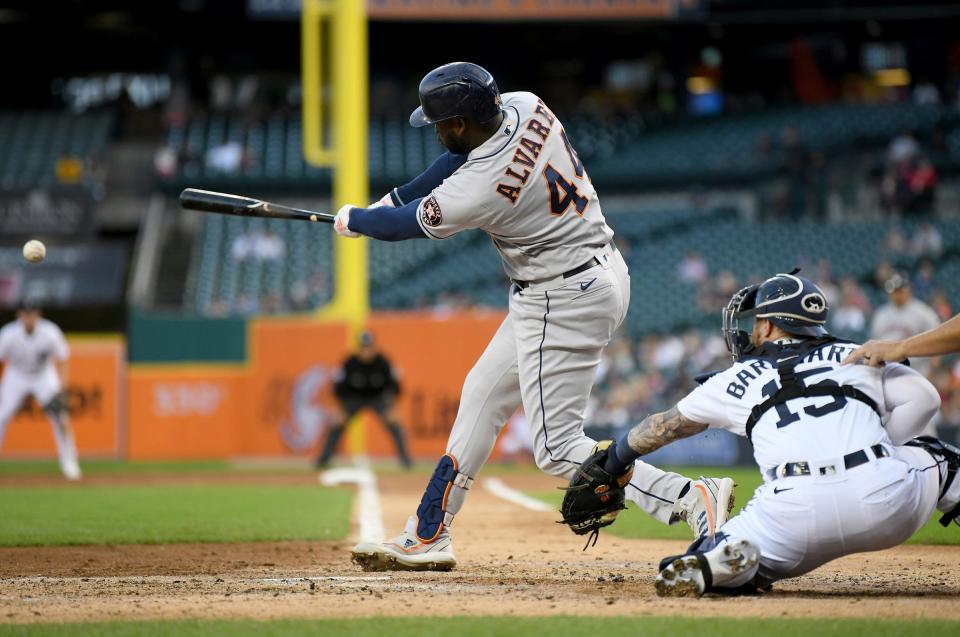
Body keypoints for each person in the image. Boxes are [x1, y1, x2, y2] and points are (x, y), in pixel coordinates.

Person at [335, 62, 734, 571]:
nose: (436, 131)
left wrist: (356, 220)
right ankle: (429, 531)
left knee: (558, 449)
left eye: (440, 123)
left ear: (459, 122)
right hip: (594, 269)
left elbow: (405, 225)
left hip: (561, 295)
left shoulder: (481, 188)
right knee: (481, 394)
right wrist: (389, 199)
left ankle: (686, 495)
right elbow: (450, 166)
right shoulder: (525, 103)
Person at [592, 271, 958, 597]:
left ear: (768, 327)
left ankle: (719, 562)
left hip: (793, 514)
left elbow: (660, 428)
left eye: (756, 321)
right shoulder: (857, 354)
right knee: (943, 459)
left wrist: (614, 460)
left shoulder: (732, 379)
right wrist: (883, 447)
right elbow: (925, 400)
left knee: (725, 546)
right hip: (885, 500)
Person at [0, 301, 80, 480]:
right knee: (1, 416)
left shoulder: (50, 332)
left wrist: (62, 389)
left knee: (60, 416)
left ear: (38, 314)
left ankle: (69, 462)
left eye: (32, 312)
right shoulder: (8, 334)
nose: (28, 317)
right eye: (25, 313)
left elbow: (63, 359)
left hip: (43, 375)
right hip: (16, 375)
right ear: (18, 314)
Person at [316, 331, 412, 469]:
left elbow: (395, 386)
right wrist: (340, 409)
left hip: (377, 398)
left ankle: (406, 461)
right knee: (336, 424)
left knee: (395, 424)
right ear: (358, 348)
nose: (365, 351)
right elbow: (337, 386)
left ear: (374, 347)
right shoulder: (349, 362)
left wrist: (392, 408)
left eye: (368, 347)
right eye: (363, 347)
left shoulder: (383, 362)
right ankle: (322, 461)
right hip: (353, 398)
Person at [869, 273, 940, 381]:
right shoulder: (880, 314)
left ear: (909, 290)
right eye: (894, 291)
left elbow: (936, 342)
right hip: (886, 372)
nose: (897, 294)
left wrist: (932, 372)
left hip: (916, 372)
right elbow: (873, 345)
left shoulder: (924, 313)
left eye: (900, 290)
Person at [843, 313, 960, 367]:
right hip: (888, 370)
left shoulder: (922, 311)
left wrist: (901, 347)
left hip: (919, 370)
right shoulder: (881, 313)